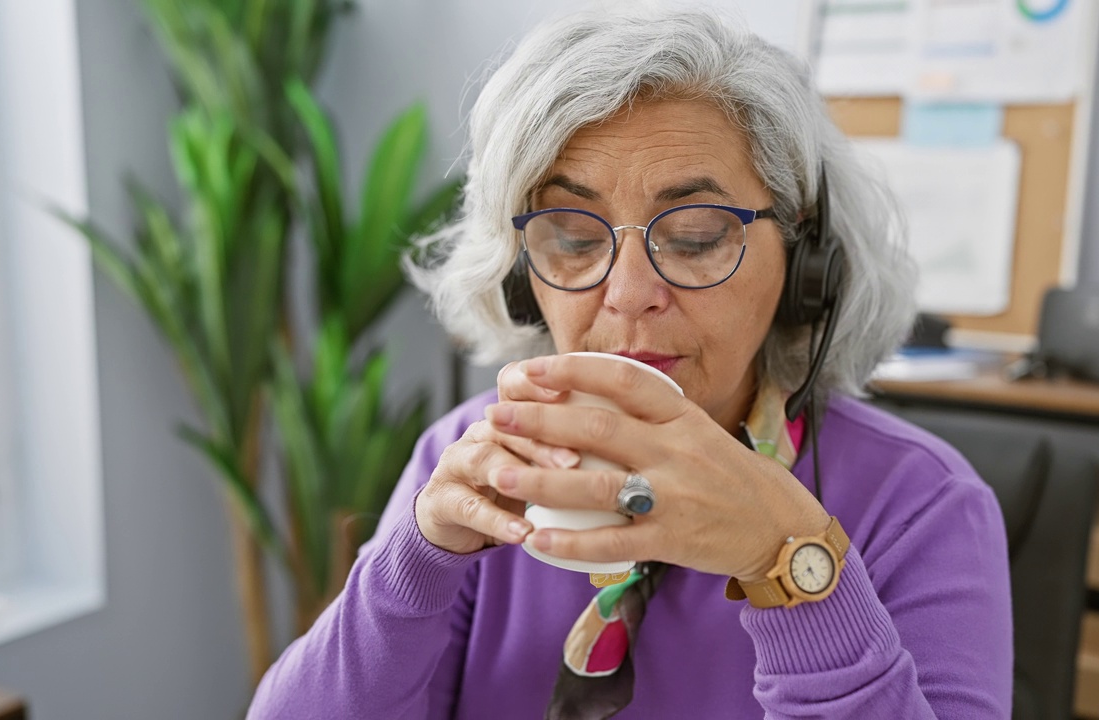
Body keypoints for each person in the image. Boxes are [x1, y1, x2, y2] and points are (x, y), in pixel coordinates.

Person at [249, 7, 1011, 719]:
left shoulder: (923, 505)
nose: (628, 294)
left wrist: (791, 566)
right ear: (522, 274)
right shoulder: (466, 463)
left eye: (697, 232)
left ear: (808, 262)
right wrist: (414, 566)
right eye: (574, 239)